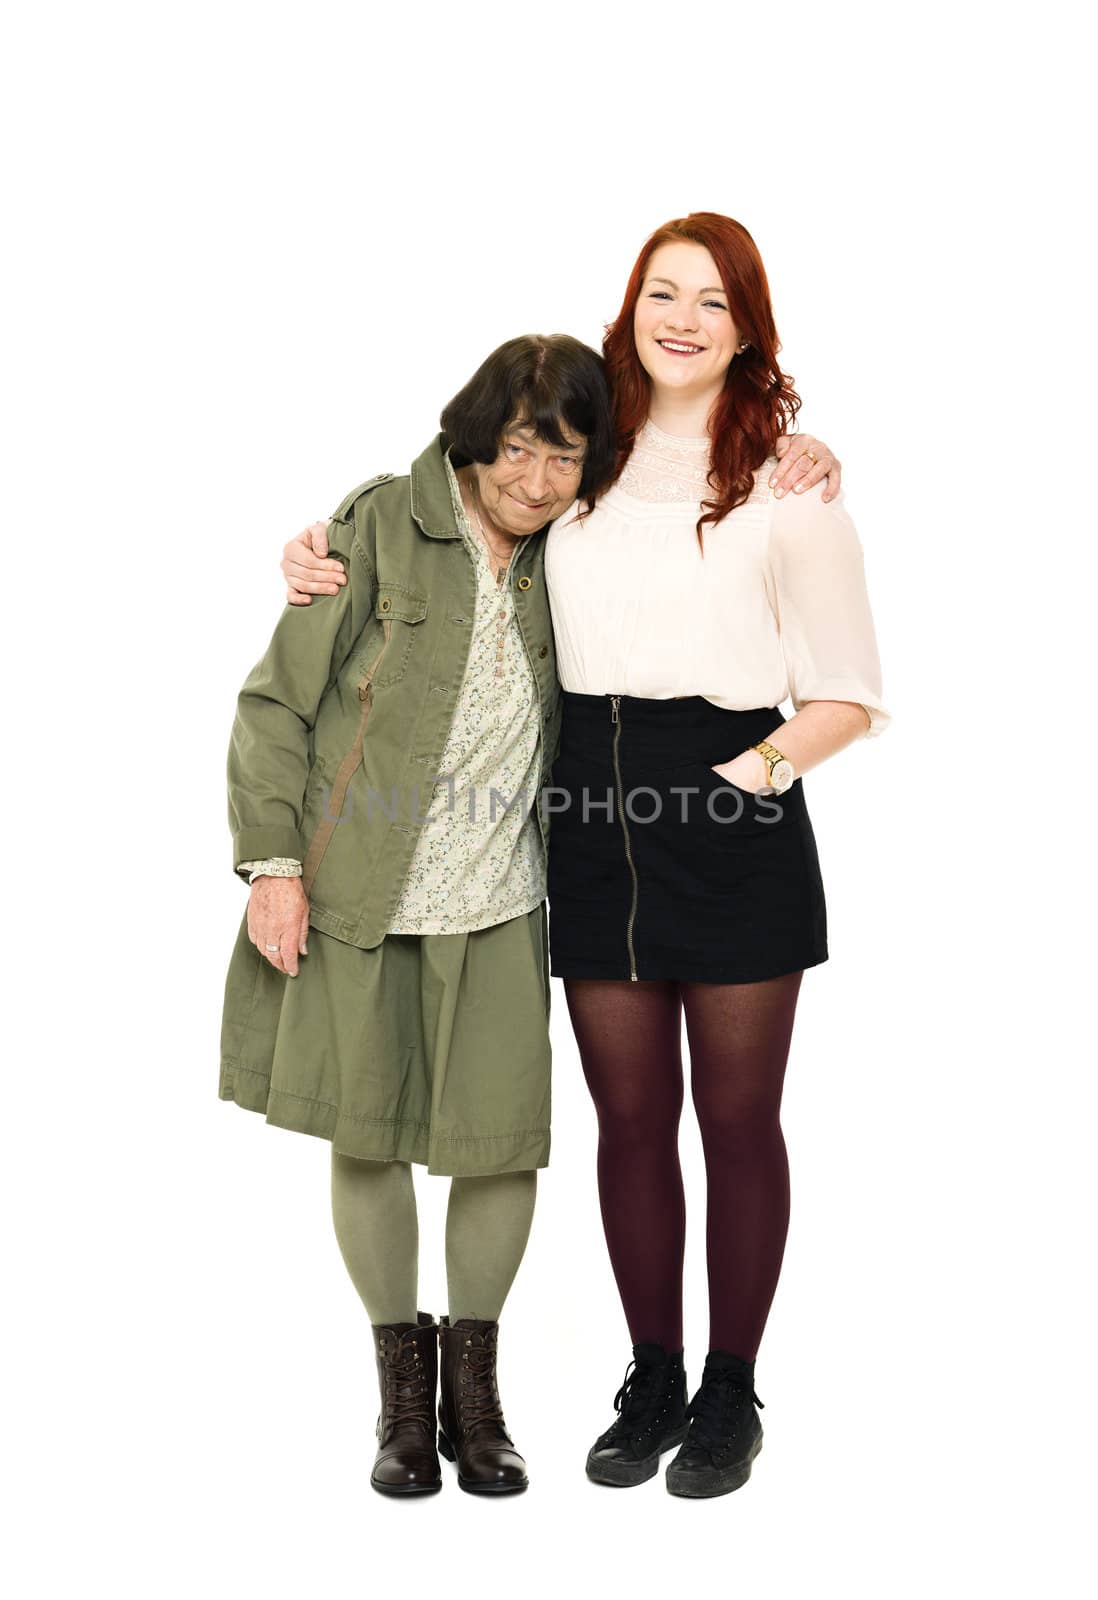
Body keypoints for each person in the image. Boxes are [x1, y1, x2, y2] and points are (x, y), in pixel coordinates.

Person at [280, 213, 877, 1501]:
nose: (681, 318)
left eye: (711, 302)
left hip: (732, 811)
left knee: (736, 1121)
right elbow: (469, 482)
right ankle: (651, 1374)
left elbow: (850, 692)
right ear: (632, 307)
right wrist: (323, 541)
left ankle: (730, 1390)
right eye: (661, 292)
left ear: (748, 325)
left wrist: (744, 778)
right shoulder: (589, 460)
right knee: (628, 1122)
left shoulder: (788, 483)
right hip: (585, 812)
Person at [220, 333, 617, 1497]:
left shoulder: (576, 550)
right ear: (475, 435)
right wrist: (272, 864)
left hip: (501, 899)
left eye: (566, 459)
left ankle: (476, 1396)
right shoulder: (380, 526)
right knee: (368, 1128)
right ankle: (402, 1400)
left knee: (500, 1143)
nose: (538, 483)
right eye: (518, 452)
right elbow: (273, 706)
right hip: (361, 892)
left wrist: (805, 449)